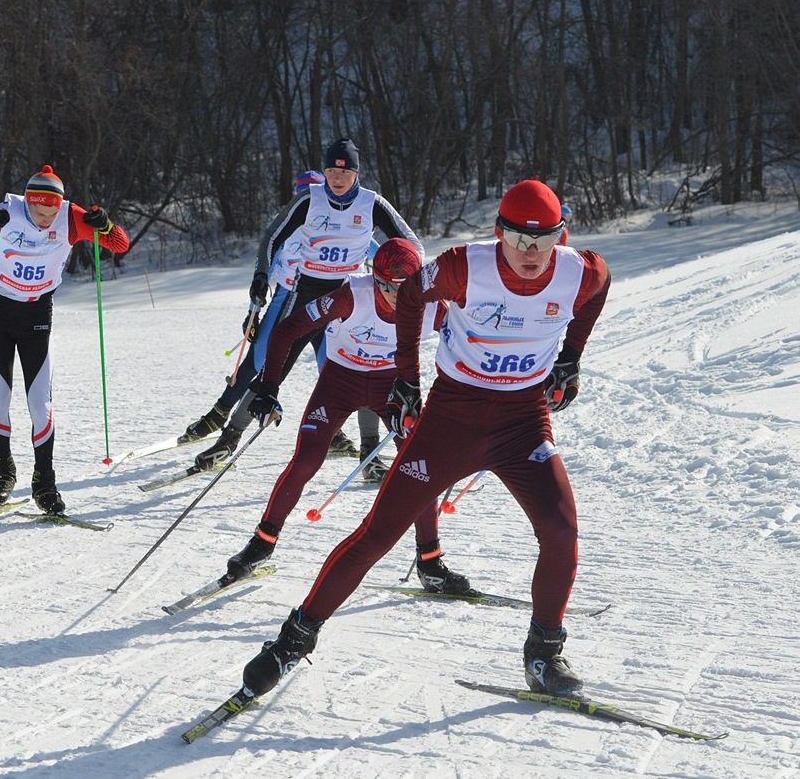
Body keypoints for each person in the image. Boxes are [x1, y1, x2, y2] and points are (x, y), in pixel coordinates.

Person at [237, 179, 611, 702]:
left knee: (562, 530)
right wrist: (407, 381)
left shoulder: (578, 270)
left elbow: (601, 286)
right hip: (449, 422)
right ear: (498, 232)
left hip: (523, 421)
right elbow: (411, 294)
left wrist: (572, 356)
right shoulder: (465, 266)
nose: (530, 253)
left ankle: (544, 655)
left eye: (543, 240)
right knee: (376, 534)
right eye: (517, 239)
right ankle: (293, 639)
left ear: (560, 235)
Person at [222, 239, 470, 596]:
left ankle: (430, 562)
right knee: (306, 461)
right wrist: (269, 387)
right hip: (340, 382)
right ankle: (261, 544)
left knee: (420, 468)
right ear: (375, 278)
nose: (397, 297)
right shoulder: (352, 295)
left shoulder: (432, 305)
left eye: (407, 288)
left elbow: (470, 342)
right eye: (387, 286)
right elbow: (290, 328)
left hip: (392, 388)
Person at [189, 139, 425, 470]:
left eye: (344, 172)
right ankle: (229, 439)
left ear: (356, 173)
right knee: (273, 368)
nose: (337, 178)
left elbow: (413, 244)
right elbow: (272, 237)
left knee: (364, 366)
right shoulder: (308, 200)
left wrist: (399, 272)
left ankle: (368, 453)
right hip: (306, 292)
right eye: (331, 171)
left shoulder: (373, 205)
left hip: (350, 295)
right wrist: (260, 276)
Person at [0, 165, 129, 514]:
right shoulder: (8, 211)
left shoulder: (70, 217)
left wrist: (106, 225)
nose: (45, 220)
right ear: (27, 202)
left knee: (39, 403)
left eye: (51, 213)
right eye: (39, 212)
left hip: (37, 315)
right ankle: (3, 469)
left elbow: (120, 244)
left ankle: (45, 481)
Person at [179, 170, 374, 463]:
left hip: (333, 305)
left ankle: (336, 434)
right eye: (303, 194)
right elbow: (266, 268)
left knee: (337, 370)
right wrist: (252, 314)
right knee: (259, 361)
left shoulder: (345, 224)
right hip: (289, 299)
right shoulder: (291, 223)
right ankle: (218, 418)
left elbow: (383, 252)